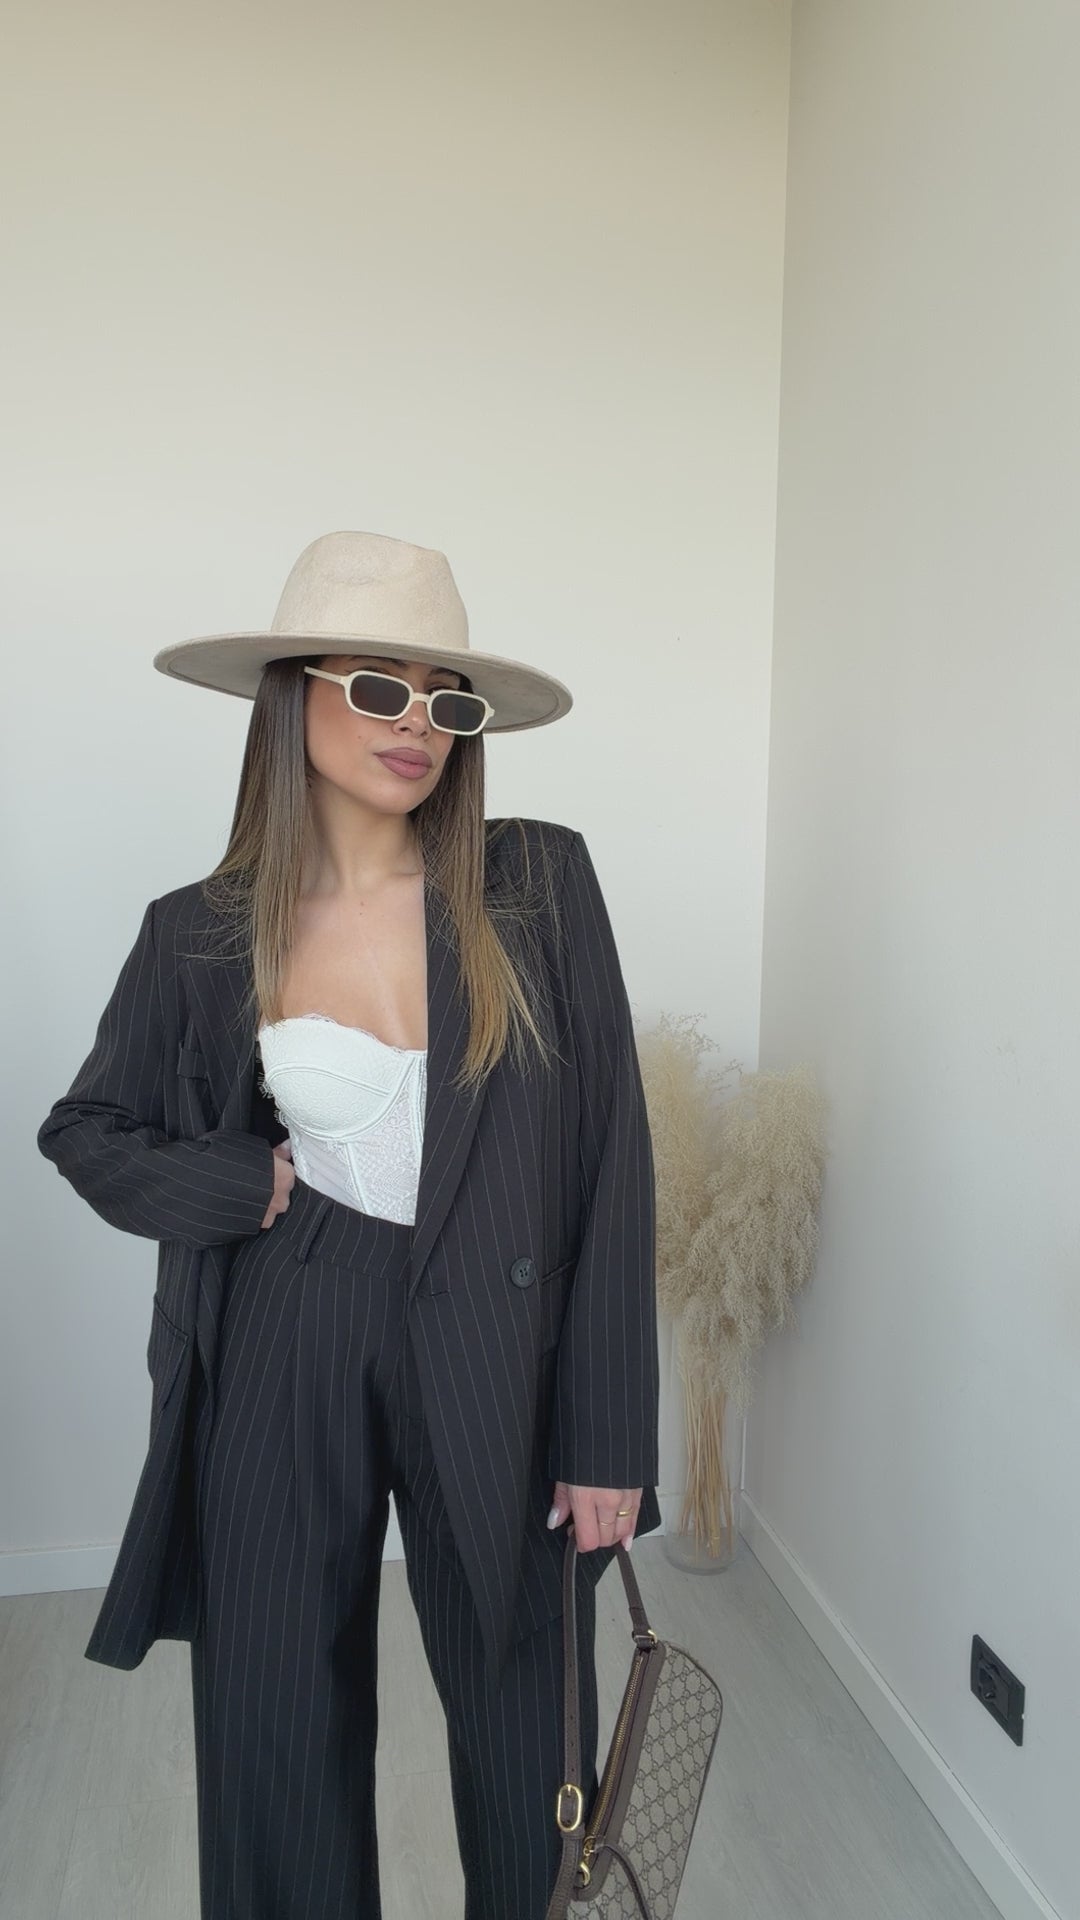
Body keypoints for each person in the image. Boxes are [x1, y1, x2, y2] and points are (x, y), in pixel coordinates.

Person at [37, 529, 662, 1920]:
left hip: (494, 1338)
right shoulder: (200, 931)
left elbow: (612, 1155)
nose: (416, 724)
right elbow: (86, 1128)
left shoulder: (537, 885)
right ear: (293, 696)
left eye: (446, 700)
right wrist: (236, 1184)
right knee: (276, 1712)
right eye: (379, 686)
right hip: (287, 1320)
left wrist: (610, 1430)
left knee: (526, 1722)